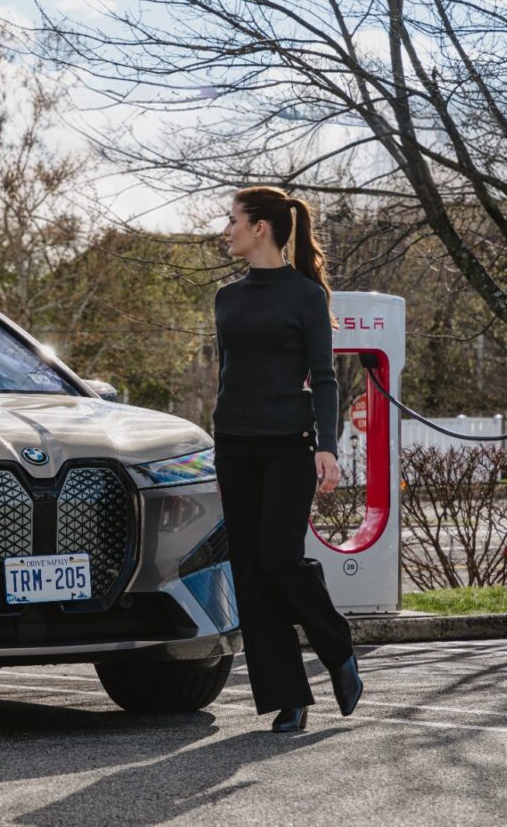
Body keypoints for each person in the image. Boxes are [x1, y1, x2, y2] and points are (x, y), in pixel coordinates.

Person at [214, 185, 364, 733]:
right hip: (235, 447)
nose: (226, 230)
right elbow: (228, 376)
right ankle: (288, 697)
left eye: (233, 220)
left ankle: (337, 647)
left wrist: (327, 446)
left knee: (279, 558)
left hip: (288, 446)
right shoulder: (226, 298)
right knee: (251, 572)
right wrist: (218, 442)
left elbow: (324, 378)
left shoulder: (306, 295)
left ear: (260, 227)